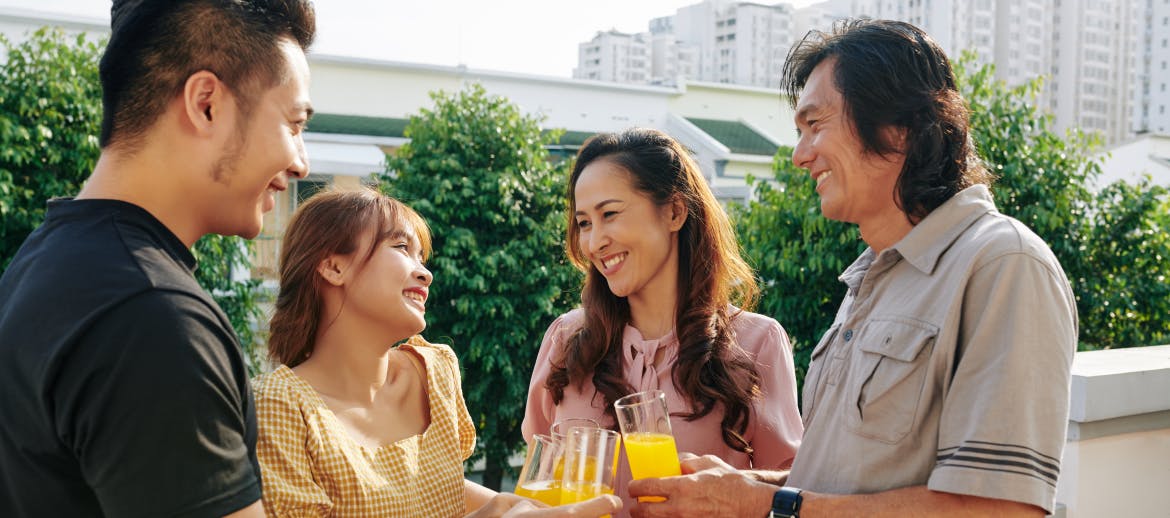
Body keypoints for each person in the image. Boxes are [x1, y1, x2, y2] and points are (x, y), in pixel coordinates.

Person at [627, 19, 1078, 518]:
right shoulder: (871, 279)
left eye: (815, 125)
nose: (800, 156)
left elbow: (1001, 509)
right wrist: (740, 486)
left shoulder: (1001, 265)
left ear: (897, 126)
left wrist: (769, 506)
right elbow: (844, 479)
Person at [0, 1, 316, 515]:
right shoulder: (151, 318)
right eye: (294, 123)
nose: (302, 163)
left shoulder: (46, 259)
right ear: (206, 103)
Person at [256, 188, 618, 517]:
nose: (425, 274)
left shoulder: (434, 371)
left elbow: (432, 491)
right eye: (401, 249)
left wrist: (510, 506)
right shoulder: (279, 405)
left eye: (422, 257)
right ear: (334, 266)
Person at [522, 128, 804, 514]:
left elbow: (790, 493)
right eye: (584, 222)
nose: (594, 242)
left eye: (610, 214)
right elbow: (536, 488)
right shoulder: (566, 339)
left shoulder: (757, 342)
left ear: (674, 211)